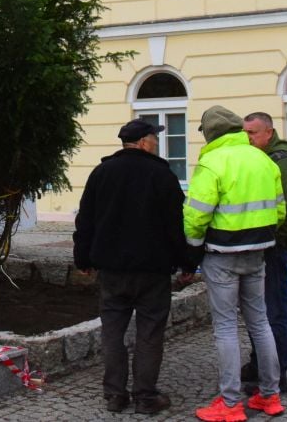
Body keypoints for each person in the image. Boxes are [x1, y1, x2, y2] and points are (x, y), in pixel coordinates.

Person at [73, 119, 192, 415]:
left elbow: (85, 219)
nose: (157, 142)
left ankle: (115, 394)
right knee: (150, 333)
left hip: (112, 269)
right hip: (153, 270)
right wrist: (188, 262)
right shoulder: (161, 175)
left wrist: (83, 258)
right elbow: (176, 225)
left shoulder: (101, 173)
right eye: (154, 138)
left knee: (112, 332)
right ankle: (145, 397)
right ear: (141, 142)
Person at [184, 106, 286, 422]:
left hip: (221, 255)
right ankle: (270, 396)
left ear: (210, 134)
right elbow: (280, 211)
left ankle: (229, 405)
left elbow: (196, 215)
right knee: (260, 322)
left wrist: (192, 247)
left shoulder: (211, 162)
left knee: (226, 327)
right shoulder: (263, 159)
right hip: (258, 253)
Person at [241, 112, 287, 395]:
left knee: (275, 310)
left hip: (274, 247)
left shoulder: (281, 162)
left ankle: (278, 373)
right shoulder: (259, 159)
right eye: (245, 132)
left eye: (252, 132)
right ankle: (259, 363)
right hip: (260, 245)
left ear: (268, 133)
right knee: (258, 310)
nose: (248, 138)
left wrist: (276, 241)